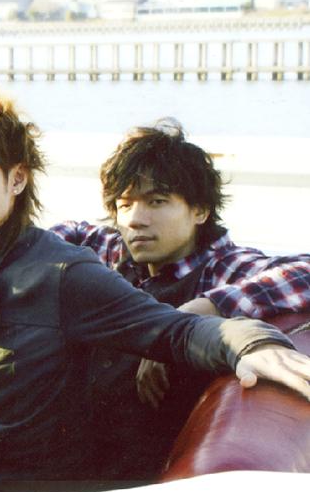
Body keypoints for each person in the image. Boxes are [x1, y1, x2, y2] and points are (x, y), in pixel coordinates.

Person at [0, 86, 310, 491]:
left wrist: (241, 335)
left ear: (17, 179)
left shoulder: (71, 273)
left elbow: (179, 330)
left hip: (27, 484)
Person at [51, 119, 310, 420]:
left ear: (200, 210)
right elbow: (61, 235)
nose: (135, 220)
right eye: (125, 205)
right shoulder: (114, 251)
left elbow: (304, 272)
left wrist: (195, 311)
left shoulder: (218, 266)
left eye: (156, 201)